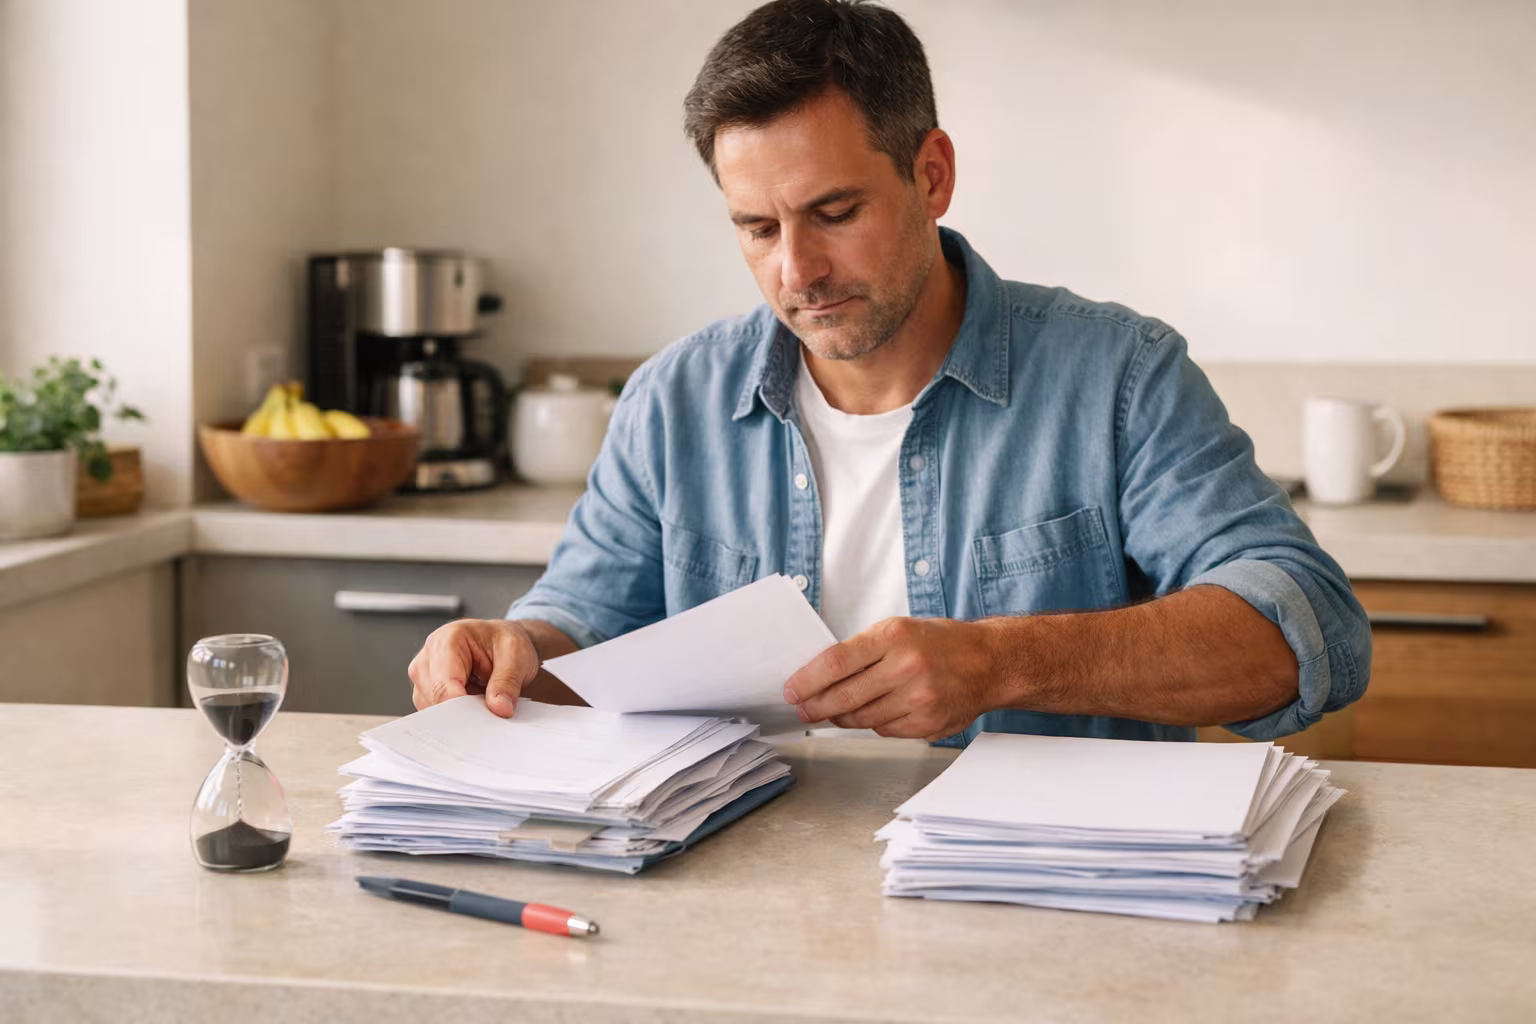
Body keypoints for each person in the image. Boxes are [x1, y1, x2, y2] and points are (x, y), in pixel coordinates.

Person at [408, 0, 1370, 746]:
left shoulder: (1118, 375)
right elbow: (579, 626)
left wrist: (1001, 664)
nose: (797, 270)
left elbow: (1305, 627)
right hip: (747, 903)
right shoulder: (671, 403)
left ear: (932, 175)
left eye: (834, 212)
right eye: (756, 227)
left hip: (1043, 911)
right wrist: (514, 652)